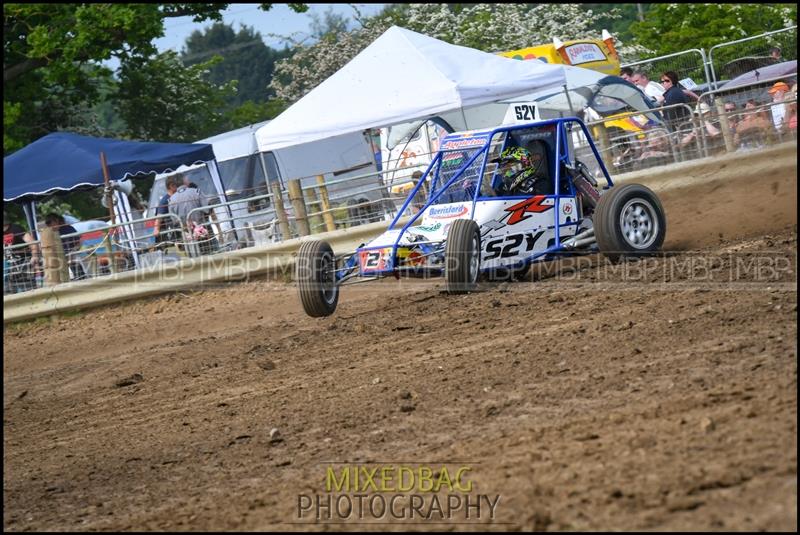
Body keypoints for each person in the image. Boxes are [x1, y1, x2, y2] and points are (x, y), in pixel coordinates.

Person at [168, 174, 216, 255]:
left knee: (194, 259)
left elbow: (174, 221)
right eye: (187, 179)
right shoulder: (196, 192)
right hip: (203, 230)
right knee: (213, 254)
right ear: (184, 181)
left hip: (187, 235)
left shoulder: (171, 200)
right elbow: (207, 210)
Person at [3, 212, 39, 293]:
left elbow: (32, 242)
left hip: (24, 262)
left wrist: (35, 255)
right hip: (10, 265)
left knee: (28, 287)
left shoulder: (16, 229)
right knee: (9, 289)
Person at [43, 213, 86, 280]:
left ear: (56, 221)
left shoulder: (68, 228)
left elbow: (79, 241)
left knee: (76, 264)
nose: (49, 225)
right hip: (58, 258)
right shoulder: (48, 234)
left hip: (71, 255)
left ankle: (81, 278)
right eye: (47, 223)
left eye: (50, 222)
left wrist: (73, 251)